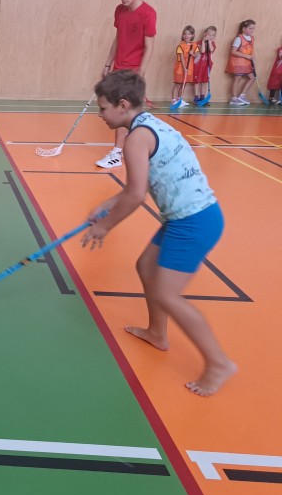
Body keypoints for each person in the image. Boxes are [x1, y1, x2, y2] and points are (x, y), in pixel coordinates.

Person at [81, 70, 236, 397]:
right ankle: (157, 333)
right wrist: (107, 204)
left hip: (193, 222)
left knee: (168, 294)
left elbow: (137, 195)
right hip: (189, 217)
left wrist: (104, 226)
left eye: (103, 108)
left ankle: (219, 363)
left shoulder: (135, 139)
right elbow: (134, 187)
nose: (100, 114)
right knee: (146, 266)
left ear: (123, 105)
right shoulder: (149, 125)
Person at [97, 0, 157, 169]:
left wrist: (141, 72)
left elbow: (149, 46)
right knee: (126, 111)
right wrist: (108, 64)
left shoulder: (148, 13)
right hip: (118, 67)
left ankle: (118, 152)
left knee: (123, 110)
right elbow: (118, 38)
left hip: (133, 69)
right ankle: (128, 150)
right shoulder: (120, 11)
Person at [225, 19, 256, 106]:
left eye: (253, 28)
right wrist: (246, 56)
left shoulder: (252, 38)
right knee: (237, 79)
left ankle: (242, 96)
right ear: (244, 29)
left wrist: (252, 58)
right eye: (250, 28)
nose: (252, 30)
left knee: (252, 77)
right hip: (238, 63)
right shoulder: (238, 38)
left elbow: (250, 50)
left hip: (247, 63)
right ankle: (233, 98)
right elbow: (233, 52)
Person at [170, 26, 198, 109]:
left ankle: (179, 99)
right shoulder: (180, 46)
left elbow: (197, 55)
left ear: (192, 35)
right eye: (185, 34)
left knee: (184, 84)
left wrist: (193, 54)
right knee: (177, 84)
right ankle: (174, 100)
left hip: (189, 68)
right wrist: (184, 68)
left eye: (189, 34)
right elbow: (182, 58)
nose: (186, 36)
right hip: (180, 68)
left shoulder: (194, 45)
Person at [192, 26, 217, 106]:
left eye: (213, 35)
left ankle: (202, 98)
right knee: (197, 82)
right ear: (205, 33)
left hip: (207, 66)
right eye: (209, 34)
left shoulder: (212, 44)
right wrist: (203, 41)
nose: (210, 36)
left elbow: (211, 50)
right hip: (198, 65)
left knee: (204, 82)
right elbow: (202, 51)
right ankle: (196, 97)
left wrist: (209, 41)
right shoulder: (198, 43)